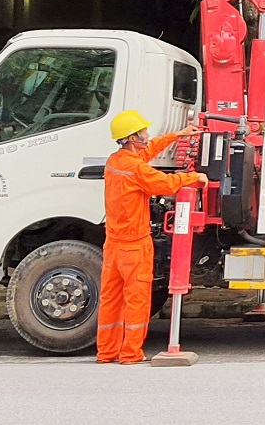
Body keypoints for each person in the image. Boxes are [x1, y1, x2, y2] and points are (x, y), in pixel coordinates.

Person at [97, 109, 206, 365]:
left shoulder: (115, 161)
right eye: (143, 132)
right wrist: (195, 177)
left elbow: (147, 153)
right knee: (137, 299)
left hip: (113, 244)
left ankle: (107, 352)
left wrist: (177, 135)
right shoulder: (135, 168)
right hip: (134, 245)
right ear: (132, 138)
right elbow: (164, 184)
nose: (147, 135)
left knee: (111, 298)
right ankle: (131, 354)